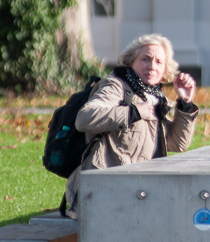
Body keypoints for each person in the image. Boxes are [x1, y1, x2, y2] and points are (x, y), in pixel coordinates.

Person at [63, 34, 201, 218]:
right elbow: (84, 118)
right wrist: (133, 113)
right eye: (145, 59)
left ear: (165, 69)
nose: (152, 66)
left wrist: (185, 104)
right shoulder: (115, 86)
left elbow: (177, 143)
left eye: (159, 62)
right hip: (101, 194)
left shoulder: (155, 100)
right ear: (131, 61)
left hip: (136, 193)